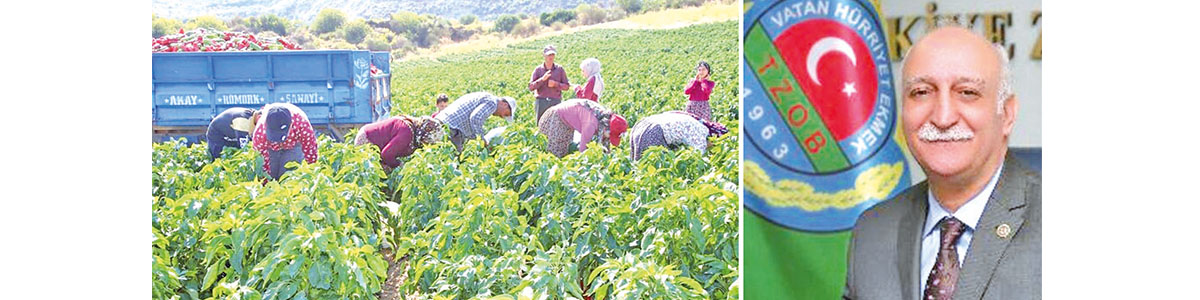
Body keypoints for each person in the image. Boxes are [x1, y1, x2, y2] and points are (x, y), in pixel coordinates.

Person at [843, 24, 1039, 300]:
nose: (943, 118)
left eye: (967, 92)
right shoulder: (873, 231)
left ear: (1006, 114)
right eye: (922, 92)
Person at [537, 99, 627, 158]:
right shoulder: (591, 124)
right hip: (556, 117)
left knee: (565, 148)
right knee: (555, 154)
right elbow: (583, 152)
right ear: (607, 128)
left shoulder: (603, 118)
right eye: (610, 135)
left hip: (567, 122)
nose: (609, 138)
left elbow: (605, 147)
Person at [251, 103, 319, 180]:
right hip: (271, 148)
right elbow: (261, 161)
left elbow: (310, 150)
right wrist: (266, 183)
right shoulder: (260, 132)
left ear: (291, 125)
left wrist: (312, 173)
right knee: (272, 174)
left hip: (293, 146)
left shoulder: (301, 123)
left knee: (288, 174)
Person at [354, 115, 445, 172]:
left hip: (371, 134)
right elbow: (386, 154)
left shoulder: (413, 127)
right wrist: (399, 165)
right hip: (367, 139)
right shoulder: (407, 133)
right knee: (382, 171)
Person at [433, 91, 516, 152]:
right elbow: (475, 119)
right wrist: (483, 142)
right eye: (505, 114)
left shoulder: (485, 96)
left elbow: (471, 125)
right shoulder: (492, 103)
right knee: (454, 159)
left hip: (442, 121)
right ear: (505, 105)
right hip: (452, 127)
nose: (502, 116)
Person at [629, 111, 728, 161]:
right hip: (654, 131)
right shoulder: (700, 135)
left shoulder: (698, 123)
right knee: (649, 165)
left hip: (643, 124)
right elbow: (699, 161)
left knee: (637, 162)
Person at [529, 44, 570, 124]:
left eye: (552, 54)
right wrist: (542, 79)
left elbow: (566, 86)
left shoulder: (560, 69)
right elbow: (531, 87)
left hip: (555, 101)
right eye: (548, 55)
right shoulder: (538, 70)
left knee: (556, 125)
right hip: (541, 102)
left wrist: (555, 84)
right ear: (544, 55)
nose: (551, 57)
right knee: (541, 125)